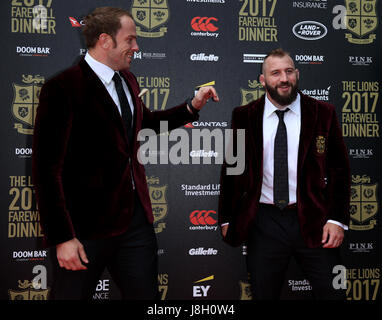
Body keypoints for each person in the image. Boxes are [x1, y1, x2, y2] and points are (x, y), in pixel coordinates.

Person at [32, 7, 218, 300]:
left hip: (134, 223)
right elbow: (45, 170)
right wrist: (63, 237)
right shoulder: (62, 88)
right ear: (105, 40)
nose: (136, 46)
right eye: (130, 40)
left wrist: (191, 107)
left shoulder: (128, 81)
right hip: (84, 229)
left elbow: (145, 124)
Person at [218, 48, 350, 300]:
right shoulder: (244, 116)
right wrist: (226, 218)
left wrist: (336, 220)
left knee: (334, 293)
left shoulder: (323, 113)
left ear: (297, 74)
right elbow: (232, 171)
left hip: (315, 219)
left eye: (289, 71)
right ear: (263, 80)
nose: (284, 78)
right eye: (275, 73)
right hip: (264, 222)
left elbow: (340, 171)